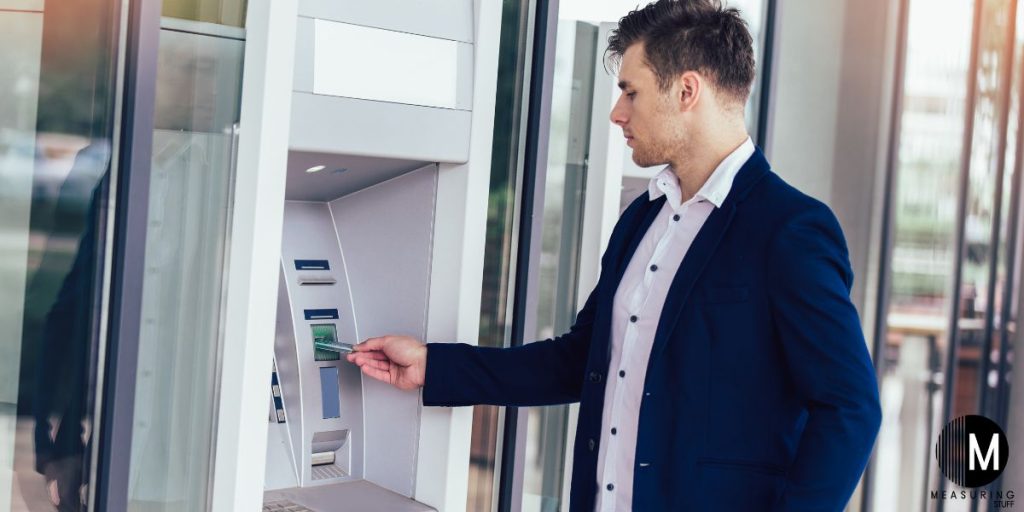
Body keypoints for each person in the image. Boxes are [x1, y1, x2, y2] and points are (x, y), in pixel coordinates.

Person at [347, 1, 882, 510]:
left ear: (687, 91)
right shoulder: (643, 220)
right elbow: (584, 360)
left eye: (631, 91)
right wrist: (436, 366)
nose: (616, 113)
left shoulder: (789, 229)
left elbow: (851, 410)